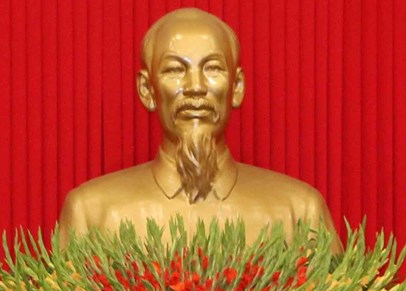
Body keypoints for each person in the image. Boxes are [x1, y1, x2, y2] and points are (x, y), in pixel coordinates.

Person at [58, 8, 337, 244]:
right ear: (147, 90)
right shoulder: (91, 214)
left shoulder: (299, 213)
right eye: (175, 70)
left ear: (237, 87)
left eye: (213, 68)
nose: (195, 87)